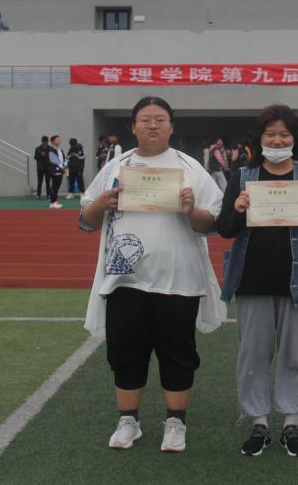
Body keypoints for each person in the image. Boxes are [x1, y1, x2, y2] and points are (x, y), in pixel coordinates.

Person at [80, 96, 225, 454]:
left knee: (178, 354)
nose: (153, 125)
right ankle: (128, 421)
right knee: (126, 354)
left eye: (160, 119)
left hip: (179, 279)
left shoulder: (190, 167)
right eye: (145, 119)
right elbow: (86, 219)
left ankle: (176, 423)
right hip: (125, 279)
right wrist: (100, 204)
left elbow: (212, 223)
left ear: (171, 127)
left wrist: (191, 210)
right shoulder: (116, 166)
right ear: (133, 127)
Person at [216, 105, 298, 458]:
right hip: (252, 279)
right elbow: (225, 228)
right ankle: (259, 424)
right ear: (260, 138)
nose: (278, 141)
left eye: (284, 134)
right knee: (253, 355)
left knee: (295, 356)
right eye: (270, 134)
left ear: (294, 138)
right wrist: (238, 209)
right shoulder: (243, 177)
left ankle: (290, 424)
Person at [48, 135, 67, 209]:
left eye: (59, 139)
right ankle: (53, 202)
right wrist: (62, 167)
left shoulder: (60, 150)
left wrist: (65, 165)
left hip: (61, 170)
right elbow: (54, 160)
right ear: (53, 141)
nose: (59, 140)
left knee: (57, 187)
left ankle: (54, 201)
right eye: (57, 139)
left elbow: (64, 159)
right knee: (54, 187)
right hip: (55, 170)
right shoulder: (51, 150)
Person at [34, 136, 51, 200]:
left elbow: (52, 157)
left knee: (48, 182)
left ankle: (48, 195)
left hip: (48, 168)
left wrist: (46, 155)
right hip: (40, 168)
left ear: (47, 142)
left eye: (46, 142)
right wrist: (41, 155)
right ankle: (38, 195)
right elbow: (35, 157)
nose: (45, 143)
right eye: (44, 142)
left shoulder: (50, 148)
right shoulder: (38, 148)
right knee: (39, 182)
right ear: (42, 141)